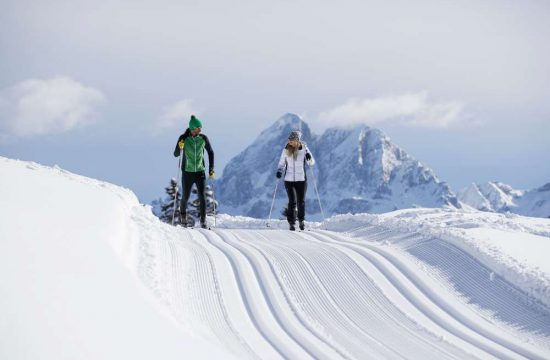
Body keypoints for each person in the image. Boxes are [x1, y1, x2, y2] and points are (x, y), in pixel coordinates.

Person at [173, 115, 214, 228]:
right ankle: (183, 216)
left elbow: (210, 152)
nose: (200, 130)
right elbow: (176, 154)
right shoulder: (183, 138)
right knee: (185, 196)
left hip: (200, 171)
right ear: (192, 128)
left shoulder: (203, 138)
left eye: (200, 128)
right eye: (198, 128)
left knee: (202, 196)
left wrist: (211, 170)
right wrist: (179, 146)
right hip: (187, 172)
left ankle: (203, 220)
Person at [276, 130, 315, 231]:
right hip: (288, 180)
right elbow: (281, 163)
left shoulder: (304, 150)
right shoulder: (286, 150)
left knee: (301, 202)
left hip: (301, 180)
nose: (290, 142)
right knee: (292, 201)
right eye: (289, 140)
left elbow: (311, 163)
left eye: (292, 140)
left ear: (297, 140)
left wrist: (309, 157)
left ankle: (301, 221)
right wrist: (280, 171)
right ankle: (292, 223)